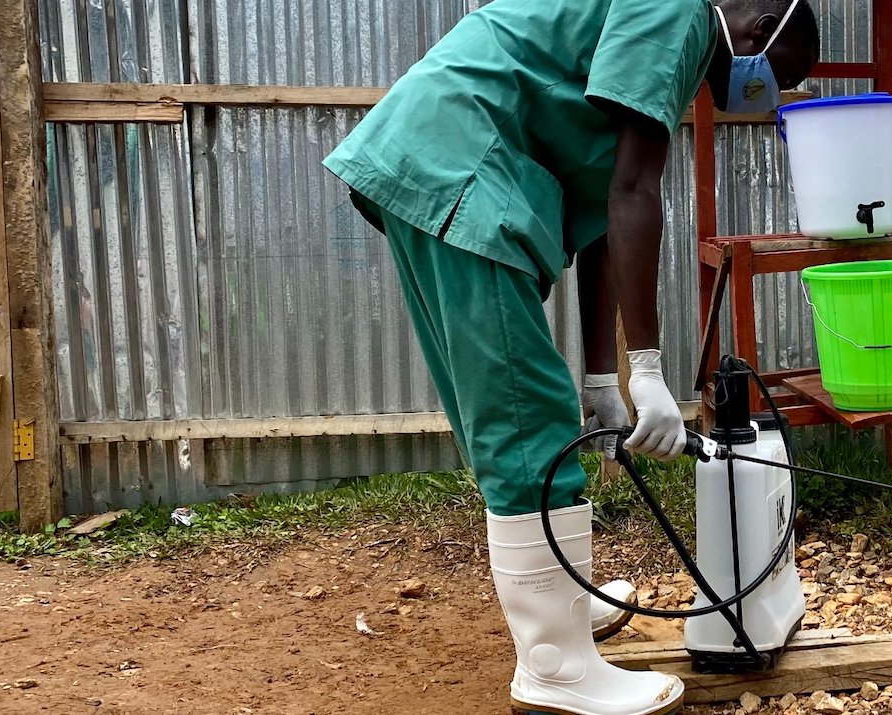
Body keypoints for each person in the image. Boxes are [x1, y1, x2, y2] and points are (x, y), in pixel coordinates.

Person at [321, 1, 819, 713]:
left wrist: (602, 377)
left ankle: (563, 606)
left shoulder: (657, 44)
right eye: (780, 73)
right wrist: (647, 368)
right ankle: (553, 664)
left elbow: (599, 219)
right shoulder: (678, 15)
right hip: (463, 162)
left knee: (520, 407)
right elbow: (634, 192)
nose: (770, 91)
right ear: (759, 23)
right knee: (524, 415)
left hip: (442, 154)